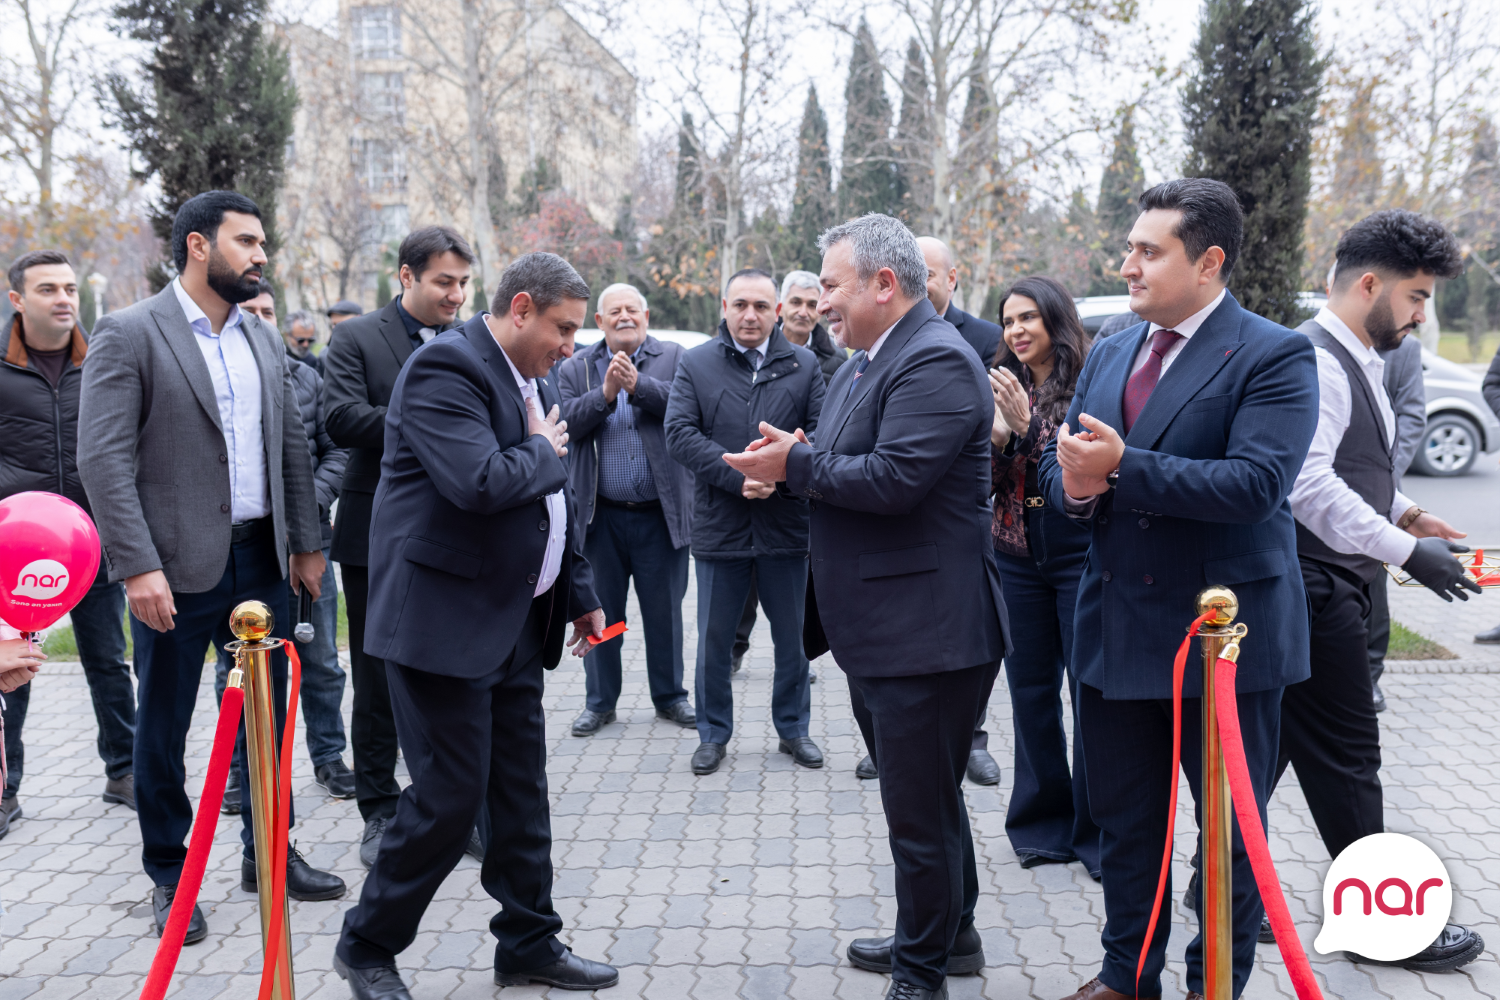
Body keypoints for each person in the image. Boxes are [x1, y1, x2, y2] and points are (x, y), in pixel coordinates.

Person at [1036, 178, 1319, 1000]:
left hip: (1220, 641)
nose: (1126, 265)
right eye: (1129, 248)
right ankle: (1125, 976)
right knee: (1128, 825)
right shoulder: (1113, 349)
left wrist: (1123, 467)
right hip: (1118, 628)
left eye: (1147, 252)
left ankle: (1213, 985)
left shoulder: (1273, 353)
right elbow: (1066, 468)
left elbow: (1255, 486)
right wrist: (1077, 488)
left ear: (1209, 261)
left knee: (1228, 835)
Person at [724, 213, 1008, 1000]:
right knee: (927, 802)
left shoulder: (936, 360)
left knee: (918, 815)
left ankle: (921, 976)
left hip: (929, 633)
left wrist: (796, 465)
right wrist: (792, 457)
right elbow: (840, 458)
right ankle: (950, 937)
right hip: (882, 628)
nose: (820, 303)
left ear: (885, 283)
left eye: (831, 286)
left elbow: (892, 479)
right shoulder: (862, 364)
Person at [332, 252, 617, 999]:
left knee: (520, 793)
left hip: (516, 620)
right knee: (449, 800)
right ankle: (365, 946)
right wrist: (543, 448)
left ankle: (529, 943)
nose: (570, 348)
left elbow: (552, 504)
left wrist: (579, 590)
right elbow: (481, 482)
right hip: (442, 625)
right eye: (562, 329)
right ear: (520, 308)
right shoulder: (446, 370)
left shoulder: (533, 375)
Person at [77, 190, 345, 945]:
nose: (261, 255)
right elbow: (102, 459)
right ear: (199, 245)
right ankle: (171, 875)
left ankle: (268, 854)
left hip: (263, 561)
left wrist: (306, 541)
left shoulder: (260, 336)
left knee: (267, 720)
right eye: (246, 241)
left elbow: (290, 445)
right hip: (170, 571)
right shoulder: (130, 332)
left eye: (261, 243)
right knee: (163, 729)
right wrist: (136, 566)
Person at [1281, 209, 1483, 972]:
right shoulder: (1317, 361)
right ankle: (1384, 928)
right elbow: (1307, 486)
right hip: (1315, 590)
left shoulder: (1358, 355)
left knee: (1270, 755)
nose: (1422, 315)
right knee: (1348, 760)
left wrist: (1406, 514)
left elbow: (1351, 467)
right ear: (1370, 284)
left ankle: (1222, 891)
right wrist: (1407, 553)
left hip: (1328, 585)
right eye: (1417, 296)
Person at [322, 226, 474, 868]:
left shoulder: (473, 339)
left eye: (463, 283)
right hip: (375, 536)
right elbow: (339, 416)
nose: (456, 295)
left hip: (459, 530)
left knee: (451, 675)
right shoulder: (356, 337)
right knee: (378, 675)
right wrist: (428, 426)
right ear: (406, 276)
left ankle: (449, 808)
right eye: (444, 282)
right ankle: (380, 809)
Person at [664, 268, 826, 775]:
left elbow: (821, 433)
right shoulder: (696, 363)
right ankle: (713, 734)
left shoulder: (804, 365)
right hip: (721, 527)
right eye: (740, 305)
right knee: (715, 642)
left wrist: (782, 472)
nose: (750, 315)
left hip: (786, 527)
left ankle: (794, 730)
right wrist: (739, 476)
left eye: (760, 306)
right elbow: (679, 433)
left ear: (776, 311)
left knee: (792, 640)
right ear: (724, 308)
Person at [1, 250, 138, 826]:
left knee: (108, 660)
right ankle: (5, 787)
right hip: (15, 551)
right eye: (48, 289)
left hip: (92, 544)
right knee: (11, 667)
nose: (64, 299)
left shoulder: (104, 359)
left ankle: (125, 771)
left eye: (70, 288)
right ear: (17, 299)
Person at [213, 286, 353, 810]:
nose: (259, 319)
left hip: (309, 541)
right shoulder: (215, 379)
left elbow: (338, 452)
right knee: (235, 666)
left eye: (267, 312)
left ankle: (329, 756)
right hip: (240, 549)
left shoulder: (308, 378)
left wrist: (301, 505)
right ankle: (240, 769)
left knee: (320, 660)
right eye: (248, 312)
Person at [987, 275, 1100, 877]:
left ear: (1056, 319)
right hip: (1015, 555)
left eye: (1027, 317)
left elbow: (1075, 468)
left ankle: (1098, 831)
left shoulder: (1091, 382)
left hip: (1079, 553)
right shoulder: (998, 383)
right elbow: (981, 480)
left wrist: (1025, 424)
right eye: (1008, 321)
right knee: (1030, 694)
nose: (1016, 331)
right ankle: (1040, 826)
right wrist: (998, 437)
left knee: (1090, 695)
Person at [555, 283, 696, 736]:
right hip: (600, 518)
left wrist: (639, 387)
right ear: (599, 321)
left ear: (646, 316)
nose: (624, 317)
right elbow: (565, 423)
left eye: (632, 310)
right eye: (614, 311)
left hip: (660, 515)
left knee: (664, 614)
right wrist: (606, 393)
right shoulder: (576, 365)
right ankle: (600, 702)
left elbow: (688, 410)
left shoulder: (675, 357)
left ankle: (670, 697)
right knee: (601, 613)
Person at [730, 270, 845, 676]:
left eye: (812, 304)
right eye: (796, 302)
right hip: (741, 493)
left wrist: (784, 470)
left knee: (797, 588)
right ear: (783, 308)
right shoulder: (748, 352)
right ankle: (735, 646)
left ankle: (800, 656)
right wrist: (749, 470)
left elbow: (828, 427)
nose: (803, 311)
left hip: (798, 494)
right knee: (743, 592)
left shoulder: (834, 359)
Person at [1366, 332, 1425, 708]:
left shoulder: (1406, 349)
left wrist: (1383, 479)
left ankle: (1370, 676)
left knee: (1374, 589)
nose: (1419, 317)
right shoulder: (1310, 339)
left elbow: (1412, 417)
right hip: (1321, 494)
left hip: (1382, 494)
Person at [917, 236, 1001, 364]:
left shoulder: (988, 338)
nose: (915, 286)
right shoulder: (888, 333)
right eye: (907, 277)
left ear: (951, 279)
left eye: (926, 276)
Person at [283, 309, 324, 375]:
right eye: (300, 340)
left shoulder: (315, 362)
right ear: (287, 335)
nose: (306, 344)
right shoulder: (280, 360)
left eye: (310, 340)